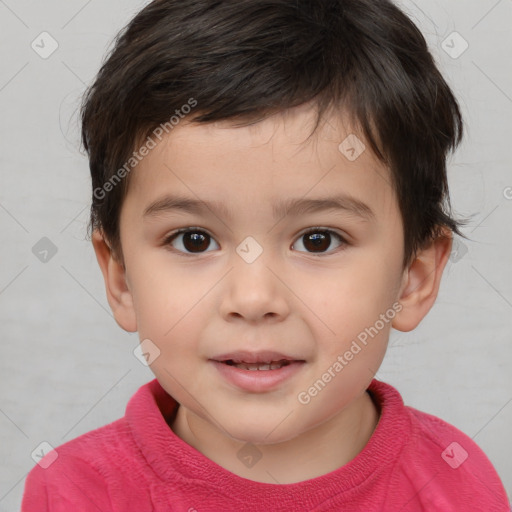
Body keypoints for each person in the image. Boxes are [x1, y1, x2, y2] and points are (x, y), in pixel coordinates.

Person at [21, 0, 510, 510]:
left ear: (414, 276)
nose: (253, 299)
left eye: (318, 239)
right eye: (194, 240)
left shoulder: (455, 482)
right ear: (120, 276)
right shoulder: (77, 491)